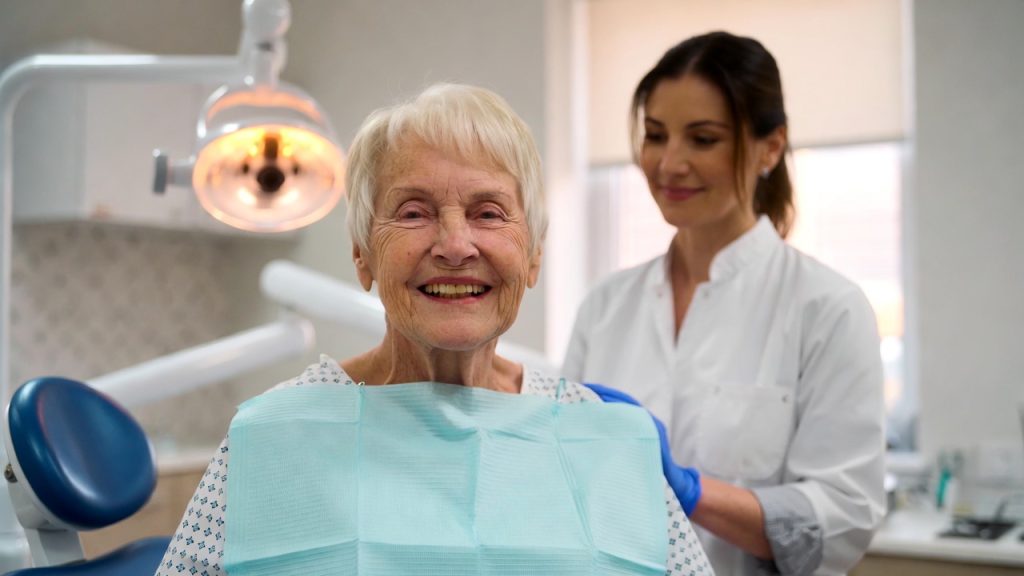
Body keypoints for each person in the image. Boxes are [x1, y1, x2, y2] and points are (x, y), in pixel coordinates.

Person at [156, 83, 713, 576]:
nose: (453, 245)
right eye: (414, 212)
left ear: (534, 256)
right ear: (362, 254)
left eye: (489, 213)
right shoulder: (276, 436)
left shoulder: (600, 437)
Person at [562, 32, 886, 576]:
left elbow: (842, 521)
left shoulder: (827, 309)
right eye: (656, 135)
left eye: (703, 139)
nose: (669, 164)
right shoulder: (605, 306)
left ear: (771, 146)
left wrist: (689, 492)